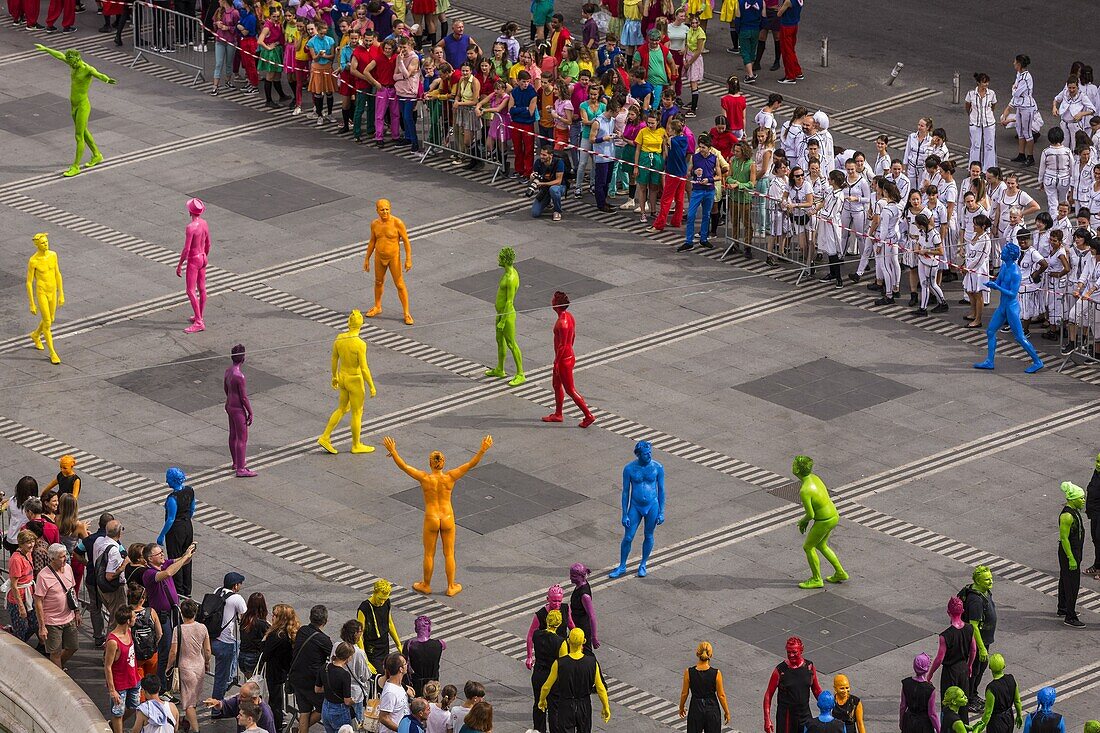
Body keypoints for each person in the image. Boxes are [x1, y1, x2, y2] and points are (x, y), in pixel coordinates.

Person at [31, 44, 116, 177]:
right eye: (69, 62)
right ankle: (97, 155)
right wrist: (46, 49)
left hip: (83, 105)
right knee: (84, 132)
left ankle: (76, 166)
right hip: (74, 105)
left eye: (72, 63)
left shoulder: (87, 69)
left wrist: (106, 79)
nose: (70, 65)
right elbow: (60, 55)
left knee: (78, 136)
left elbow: (98, 74)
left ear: (77, 59)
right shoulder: (72, 64)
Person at [317, 309, 378, 454]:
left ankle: (325, 436)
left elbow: (334, 358)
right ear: (361, 325)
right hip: (355, 379)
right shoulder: (360, 344)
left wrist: (334, 376)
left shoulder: (340, 338)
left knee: (342, 408)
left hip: (343, 377)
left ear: (348, 323)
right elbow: (364, 368)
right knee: (357, 412)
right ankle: (356, 444)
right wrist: (372, 386)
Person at [609, 440, 666, 578]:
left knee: (649, 535)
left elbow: (661, 490)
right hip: (635, 505)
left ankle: (643, 564)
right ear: (639, 455)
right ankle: (622, 565)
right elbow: (625, 492)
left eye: (650, 453)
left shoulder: (657, 467)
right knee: (628, 537)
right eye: (646, 454)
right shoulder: (629, 469)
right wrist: (624, 514)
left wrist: (662, 511)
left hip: (652, 504)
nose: (649, 456)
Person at [142, 541, 193, 688]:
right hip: (161, 617)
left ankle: (168, 680)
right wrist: (184, 558)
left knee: (175, 648)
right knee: (165, 651)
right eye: (159, 553)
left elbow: (182, 561)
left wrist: (188, 553)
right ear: (150, 559)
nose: (162, 554)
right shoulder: (149, 573)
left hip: (172, 614)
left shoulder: (163, 564)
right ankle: (162, 686)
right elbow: (169, 573)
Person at [539, 628, 611, 731]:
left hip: (566, 705)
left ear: (568, 641)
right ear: (583, 642)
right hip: (584, 705)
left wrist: (542, 700)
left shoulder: (559, 663)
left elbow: (546, 687)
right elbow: (600, 688)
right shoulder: (592, 663)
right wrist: (606, 707)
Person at [364, 199, 414, 325]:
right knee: (378, 281)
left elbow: (406, 241)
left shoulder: (397, 223)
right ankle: (377, 306)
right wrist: (367, 258)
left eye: (387, 209)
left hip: (393, 257)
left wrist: (408, 259)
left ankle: (406, 313)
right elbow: (372, 241)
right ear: (377, 211)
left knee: (400, 284)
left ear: (390, 209)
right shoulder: (374, 224)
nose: (385, 212)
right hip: (379, 256)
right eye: (382, 209)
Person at [34, 543, 80, 669]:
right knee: (55, 652)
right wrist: (42, 626)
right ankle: (59, 674)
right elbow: (38, 601)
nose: (65, 558)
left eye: (65, 555)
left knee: (73, 647)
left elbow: (71, 591)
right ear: (52, 558)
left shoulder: (69, 569)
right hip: (52, 621)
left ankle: (57, 669)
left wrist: (77, 611)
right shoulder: (43, 576)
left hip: (69, 617)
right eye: (61, 557)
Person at [167, 598, 210, 733]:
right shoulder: (202, 628)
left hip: (185, 668)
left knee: (188, 703)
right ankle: (186, 721)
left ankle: (195, 729)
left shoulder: (178, 629)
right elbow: (207, 650)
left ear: (182, 613)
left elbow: (173, 652)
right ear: (195, 612)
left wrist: (168, 666)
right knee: (193, 698)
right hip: (199, 666)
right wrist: (207, 662)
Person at [290, 605, 334, 733]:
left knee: (304, 711)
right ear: (325, 621)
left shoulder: (302, 630)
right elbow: (333, 657)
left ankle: (300, 730)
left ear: (310, 617)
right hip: (312, 681)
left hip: (296, 677)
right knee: (324, 708)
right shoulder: (324, 640)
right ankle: (299, 729)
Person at [763, 636, 821, 733]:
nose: (791, 655)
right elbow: (768, 695)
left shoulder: (809, 667)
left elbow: (816, 690)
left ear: (801, 650)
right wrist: (767, 719)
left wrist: (826, 705)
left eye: (794, 652)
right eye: (788, 652)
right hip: (786, 718)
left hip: (805, 714)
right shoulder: (780, 671)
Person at [25, 232, 65, 365]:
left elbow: (57, 274)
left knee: (51, 319)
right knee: (47, 322)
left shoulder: (53, 255)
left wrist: (61, 294)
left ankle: (35, 335)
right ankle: (53, 353)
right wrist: (32, 303)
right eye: (43, 243)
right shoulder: (33, 261)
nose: (46, 244)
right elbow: (29, 282)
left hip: (52, 291)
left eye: (47, 242)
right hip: (42, 292)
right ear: (37, 245)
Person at [961, 565, 996, 713]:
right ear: (978, 581)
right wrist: (981, 648)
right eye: (987, 580)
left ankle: (973, 694)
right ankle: (968, 698)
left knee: (980, 669)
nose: (991, 582)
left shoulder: (985, 592)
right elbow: (974, 626)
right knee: (974, 670)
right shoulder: (975, 600)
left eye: (991, 578)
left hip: (985, 639)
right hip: (977, 643)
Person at [928, 596, 976, 705]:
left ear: (948, 612)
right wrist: (969, 665)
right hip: (963, 668)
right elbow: (973, 649)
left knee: (948, 702)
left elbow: (939, 658)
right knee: (963, 701)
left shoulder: (945, 636)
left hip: (950, 672)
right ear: (963, 611)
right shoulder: (969, 628)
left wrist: (930, 673)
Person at [157, 467, 195, 598]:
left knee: (176, 558)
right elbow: (192, 509)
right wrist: (186, 520)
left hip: (176, 529)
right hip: (187, 526)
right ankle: (187, 590)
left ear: (173, 480)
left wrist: (162, 535)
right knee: (187, 557)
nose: (167, 481)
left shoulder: (172, 498)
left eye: (168, 479)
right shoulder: (190, 491)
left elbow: (170, 519)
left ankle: (178, 590)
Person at [209, 571, 248, 700]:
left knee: (237, 647)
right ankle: (216, 707)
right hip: (225, 642)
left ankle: (230, 677)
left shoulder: (217, 590)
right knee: (221, 678)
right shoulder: (237, 598)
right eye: (240, 584)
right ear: (235, 586)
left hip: (212, 637)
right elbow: (245, 617)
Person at [678, 641, 731, 732]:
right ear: (711, 655)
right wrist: (727, 711)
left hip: (695, 707)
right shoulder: (716, 673)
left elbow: (684, 693)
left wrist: (681, 707)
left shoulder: (689, 672)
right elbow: (721, 695)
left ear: (697, 653)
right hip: (712, 708)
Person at [263, 603, 300, 731]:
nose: (271, 617)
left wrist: (264, 639)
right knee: (277, 700)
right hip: (285, 670)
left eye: (274, 615)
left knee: (275, 702)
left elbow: (266, 655)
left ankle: (276, 726)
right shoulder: (291, 633)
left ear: (281, 618)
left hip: (275, 672)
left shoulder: (276, 636)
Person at [679, 133, 719, 251]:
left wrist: (709, 179)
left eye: (703, 147)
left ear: (709, 148)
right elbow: (688, 172)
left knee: (706, 215)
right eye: (700, 147)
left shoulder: (714, 158)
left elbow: (719, 176)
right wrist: (694, 173)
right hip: (697, 190)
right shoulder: (695, 157)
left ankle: (704, 239)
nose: (701, 149)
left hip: (709, 191)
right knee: (691, 215)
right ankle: (689, 241)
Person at [105, 606, 141, 733]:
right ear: (127, 621)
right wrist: (112, 690)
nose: (136, 618)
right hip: (120, 684)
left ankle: (114, 725)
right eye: (134, 616)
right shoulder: (113, 642)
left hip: (134, 679)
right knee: (118, 713)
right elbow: (108, 666)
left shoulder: (129, 631)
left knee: (134, 706)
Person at [1056, 481, 1087, 628]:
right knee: (1072, 584)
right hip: (1070, 554)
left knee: (1064, 580)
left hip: (1074, 552)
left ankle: (1063, 607)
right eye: (1081, 498)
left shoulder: (1074, 512)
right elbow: (1064, 539)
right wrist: (1071, 558)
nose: (1083, 500)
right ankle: (1070, 616)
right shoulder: (1067, 516)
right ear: (1073, 499)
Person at [357, 579, 402, 672]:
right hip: (372, 647)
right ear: (374, 593)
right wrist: (365, 659)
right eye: (380, 598)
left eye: (384, 599)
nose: (382, 602)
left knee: (387, 671)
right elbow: (359, 634)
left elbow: (389, 623)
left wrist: (398, 644)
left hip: (384, 644)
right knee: (379, 673)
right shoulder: (364, 608)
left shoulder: (386, 603)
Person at [974, 654, 1023, 733]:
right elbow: (1017, 701)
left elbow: (988, 712)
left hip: (996, 723)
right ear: (1004, 666)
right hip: (1009, 718)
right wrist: (1019, 715)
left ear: (990, 667)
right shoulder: (1011, 679)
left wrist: (979, 728)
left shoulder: (991, 688)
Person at [6, 530, 39, 646]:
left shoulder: (28, 553)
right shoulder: (16, 560)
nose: (32, 545)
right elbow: (14, 586)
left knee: (35, 624)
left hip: (29, 595)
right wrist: (21, 606)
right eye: (28, 542)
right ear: (20, 543)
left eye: (32, 541)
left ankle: (15, 638)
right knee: (21, 629)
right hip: (17, 598)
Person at [316, 642, 357, 733]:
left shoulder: (324, 667)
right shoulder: (344, 675)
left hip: (326, 707)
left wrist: (329, 689)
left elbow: (317, 689)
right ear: (347, 658)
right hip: (340, 711)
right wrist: (353, 701)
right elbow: (347, 701)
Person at [1004, 55, 1038, 166]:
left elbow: (1016, 92)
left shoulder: (1026, 77)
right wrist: (1014, 89)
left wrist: (1013, 89)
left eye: (1015, 62)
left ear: (1019, 64)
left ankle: (1030, 157)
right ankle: (1021, 154)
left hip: (1027, 107)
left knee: (1027, 132)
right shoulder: (1019, 75)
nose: (1013, 63)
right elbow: (1016, 89)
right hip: (1020, 106)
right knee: (1020, 130)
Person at [965, 73, 998, 170]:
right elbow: (967, 106)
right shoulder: (971, 93)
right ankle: (974, 168)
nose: (986, 84)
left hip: (989, 122)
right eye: (984, 82)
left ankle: (989, 168)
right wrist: (971, 115)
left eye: (987, 82)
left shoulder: (991, 93)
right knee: (975, 146)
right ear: (978, 83)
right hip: (975, 122)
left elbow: (993, 105)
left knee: (990, 146)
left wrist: (988, 114)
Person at [899, 654, 938, 733]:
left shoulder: (906, 683)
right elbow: (932, 714)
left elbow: (903, 706)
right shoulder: (930, 690)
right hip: (924, 725)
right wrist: (939, 728)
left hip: (909, 721)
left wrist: (901, 721)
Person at [379, 653, 415, 732]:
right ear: (401, 669)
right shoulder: (390, 692)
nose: (407, 665)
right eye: (405, 664)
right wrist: (401, 730)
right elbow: (383, 718)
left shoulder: (399, 685)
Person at [531, 146, 567, 221]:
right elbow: (535, 178)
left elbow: (558, 181)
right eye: (541, 154)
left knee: (553, 190)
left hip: (559, 186)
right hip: (545, 189)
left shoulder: (559, 162)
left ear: (551, 155)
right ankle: (547, 201)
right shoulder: (538, 162)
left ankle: (557, 211)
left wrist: (542, 183)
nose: (541, 157)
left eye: (544, 155)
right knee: (535, 213)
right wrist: (532, 178)